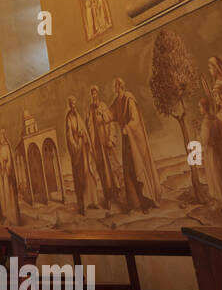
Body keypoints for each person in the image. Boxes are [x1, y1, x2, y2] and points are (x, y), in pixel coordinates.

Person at [110, 77, 162, 211]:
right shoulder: (117, 101)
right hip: (126, 141)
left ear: (119, 86)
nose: (113, 88)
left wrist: (127, 128)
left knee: (137, 169)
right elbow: (110, 114)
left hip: (134, 141)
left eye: (115, 85)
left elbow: (135, 120)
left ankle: (147, 201)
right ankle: (135, 204)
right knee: (128, 171)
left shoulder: (129, 99)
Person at [64, 96, 101, 214]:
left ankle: (93, 202)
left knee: (89, 174)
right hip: (78, 154)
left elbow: (84, 130)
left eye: (75, 103)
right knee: (81, 178)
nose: (74, 105)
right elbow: (69, 136)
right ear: (69, 105)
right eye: (72, 104)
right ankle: (83, 206)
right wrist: (76, 143)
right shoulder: (69, 118)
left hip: (84, 151)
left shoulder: (78, 116)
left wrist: (83, 136)